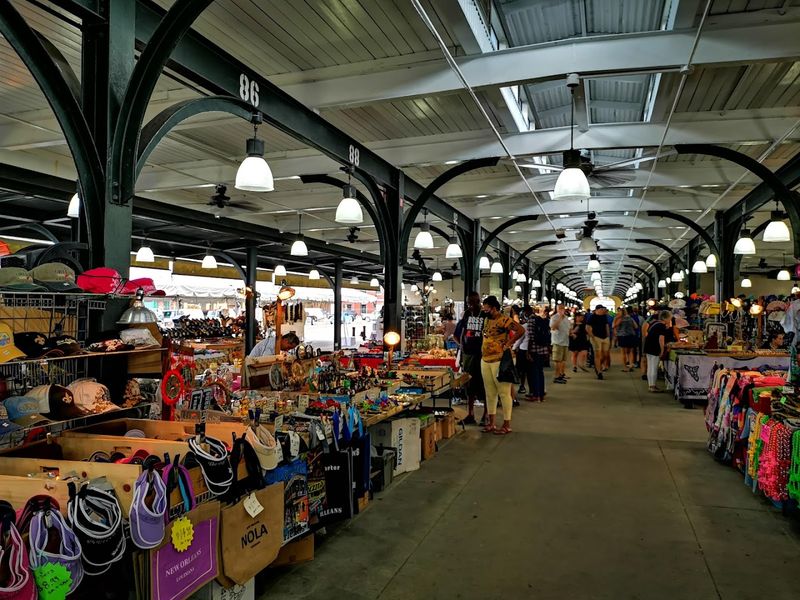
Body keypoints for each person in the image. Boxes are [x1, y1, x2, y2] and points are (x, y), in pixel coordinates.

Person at [480, 296, 525, 435]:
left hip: (500, 360)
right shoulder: (487, 319)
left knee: (504, 393)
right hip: (486, 359)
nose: (484, 310)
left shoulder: (504, 320)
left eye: (486, 308)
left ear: (493, 308)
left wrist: (509, 343)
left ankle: (506, 424)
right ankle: (492, 423)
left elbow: (520, 330)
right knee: (490, 393)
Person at [454, 292, 486, 426]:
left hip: (483, 356)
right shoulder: (466, 316)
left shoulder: (485, 316)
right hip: (468, 356)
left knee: (484, 386)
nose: (471, 305)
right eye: (469, 303)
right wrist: (462, 347)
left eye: (474, 302)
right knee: (469, 386)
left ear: (479, 302)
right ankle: (471, 414)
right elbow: (457, 334)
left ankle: (486, 414)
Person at [644, 310, 673, 392]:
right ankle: (652, 386)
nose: (670, 320)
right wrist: (662, 350)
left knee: (650, 367)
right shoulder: (661, 326)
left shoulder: (654, 323)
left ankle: (650, 385)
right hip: (654, 348)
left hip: (648, 347)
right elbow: (661, 339)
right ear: (665, 318)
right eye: (669, 318)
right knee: (654, 367)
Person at [526, 305, 551, 402]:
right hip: (543, 349)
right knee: (540, 372)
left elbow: (530, 337)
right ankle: (541, 395)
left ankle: (536, 395)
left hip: (534, 349)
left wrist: (528, 352)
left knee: (534, 372)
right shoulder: (546, 320)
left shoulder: (532, 321)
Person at [586, 305, 611, 379]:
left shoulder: (604, 316)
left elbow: (606, 325)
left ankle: (598, 365)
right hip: (596, 337)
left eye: (603, 309)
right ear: (597, 310)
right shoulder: (592, 317)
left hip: (605, 337)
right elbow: (587, 327)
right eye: (602, 309)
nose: (603, 310)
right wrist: (592, 337)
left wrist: (608, 335)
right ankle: (599, 371)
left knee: (605, 355)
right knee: (598, 355)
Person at [514, 305, 534, 395]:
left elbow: (520, 339)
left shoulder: (526, 325)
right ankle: (533, 390)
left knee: (522, 370)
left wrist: (513, 348)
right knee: (531, 371)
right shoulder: (535, 322)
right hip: (533, 350)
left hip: (523, 350)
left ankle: (522, 386)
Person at [549, 304, 571, 384]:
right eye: (560, 308)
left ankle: (561, 374)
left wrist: (571, 333)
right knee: (558, 360)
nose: (562, 309)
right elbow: (553, 327)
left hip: (565, 341)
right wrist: (559, 319)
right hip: (557, 342)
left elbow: (568, 329)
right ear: (557, 309)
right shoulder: (554, 317)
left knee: (563, 360)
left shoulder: (566, 318)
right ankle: (556, 376)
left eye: (563, 308)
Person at [614, 307, 639, 372]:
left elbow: (614, 326)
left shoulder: (620, 319)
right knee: (631, 352)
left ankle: (625, 367)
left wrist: (616, 319)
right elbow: (636, 326)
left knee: (623, 352)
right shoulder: (630, 318)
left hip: (623, 336)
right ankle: (631, 365)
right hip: (631, 335)